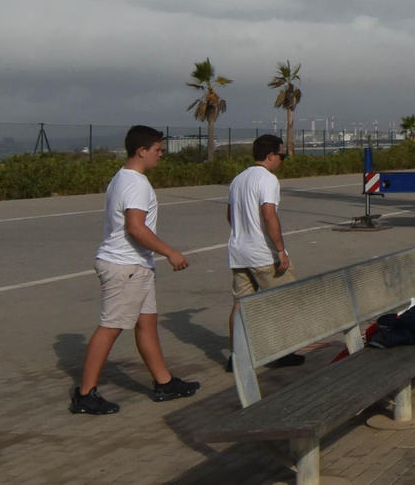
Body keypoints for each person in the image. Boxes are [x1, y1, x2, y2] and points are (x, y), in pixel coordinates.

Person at [71, 125, 199, 415]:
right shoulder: (137, 183)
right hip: (125, 267)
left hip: (137, 266)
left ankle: (164, 383)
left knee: (147, 324)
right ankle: (84, 394)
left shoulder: (122, 177)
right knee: (111, 327)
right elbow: (135, 227)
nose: (161, 155)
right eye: (158, 150)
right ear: (141, 151)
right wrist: (170, 252)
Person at [225, 134, 302, 371]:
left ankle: (237, 357)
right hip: (263, 255)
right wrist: (280, 249)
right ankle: (283, 352)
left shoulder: (238, 179)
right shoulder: (268, 180)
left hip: (239, 253)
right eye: (282, 155)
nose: (282, 160)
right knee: (284, 301)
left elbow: (230, 215)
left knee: (240, 304)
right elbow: (269, 214)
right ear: (271, 156)